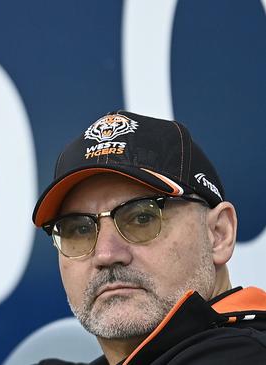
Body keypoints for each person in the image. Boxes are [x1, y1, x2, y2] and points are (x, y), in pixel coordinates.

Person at [31, 111, 266, 364]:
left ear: (219, 234)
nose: (106, 255)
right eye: (79, 229)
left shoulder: (244, 353)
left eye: (142, 218)